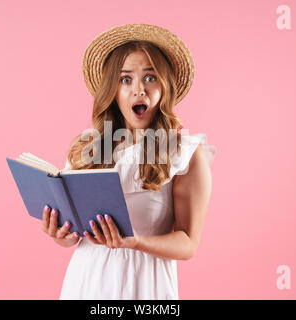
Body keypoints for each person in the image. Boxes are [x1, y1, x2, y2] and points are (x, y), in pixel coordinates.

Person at [41, 23, 216, 299]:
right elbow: (75, 236)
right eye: (125, 80)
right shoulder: (86, 148)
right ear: (113, 90)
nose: (139, 90)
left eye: (150, 77)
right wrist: (60, 235)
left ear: (165, 86)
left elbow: (188, 243)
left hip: (146, 286)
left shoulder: (185, 153)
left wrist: (135, 242)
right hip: (87, 283)